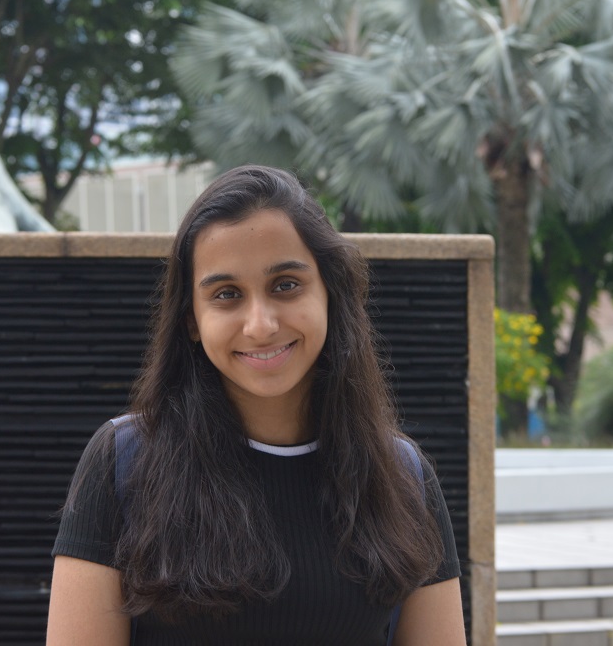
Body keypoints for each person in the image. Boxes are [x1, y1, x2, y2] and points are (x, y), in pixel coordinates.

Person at [46, 165, 466, 645]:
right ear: (192, 321)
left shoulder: (402, 477)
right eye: (227, 295)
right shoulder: (123, 464)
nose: (261, 324)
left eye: (285, 284)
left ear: (331, 293)